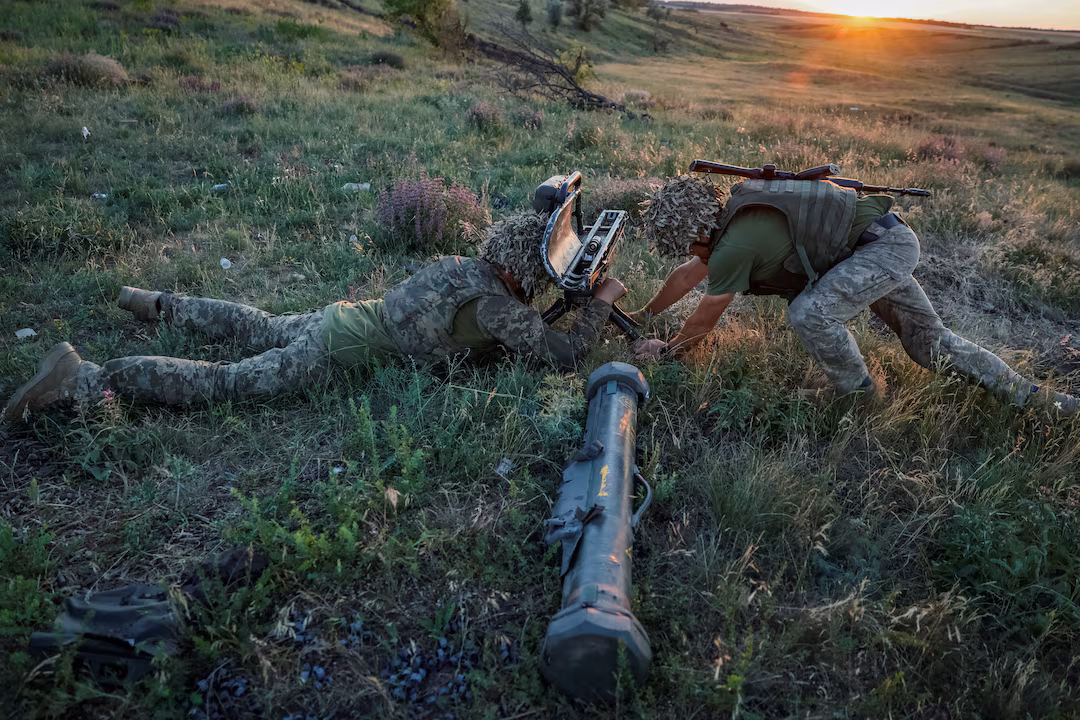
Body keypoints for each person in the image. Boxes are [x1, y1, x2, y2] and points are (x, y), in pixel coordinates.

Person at [3, 211, 627, 423]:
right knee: (232, 380)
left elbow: (521, 323)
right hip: (333, 351)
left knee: (255, 322)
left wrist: (564, 301)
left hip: (341, 318)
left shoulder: (471, 268)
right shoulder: (498, 307)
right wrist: (596, 305)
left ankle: (157, 303)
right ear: (526, 266)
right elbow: (566, 356)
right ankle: (84, 379)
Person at [630, 174, 1078, 415]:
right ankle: (1038, 399)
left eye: (685, 243)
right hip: (879, 242)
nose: (689, 253)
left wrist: (665, 353)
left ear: (694, 228)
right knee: (928, 343)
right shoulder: (734, 216)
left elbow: (704, 320)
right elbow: (687, 275)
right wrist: (644, 315)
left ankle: (859, 399)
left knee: (811, 313)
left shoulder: (733, 245)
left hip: (880, 250)